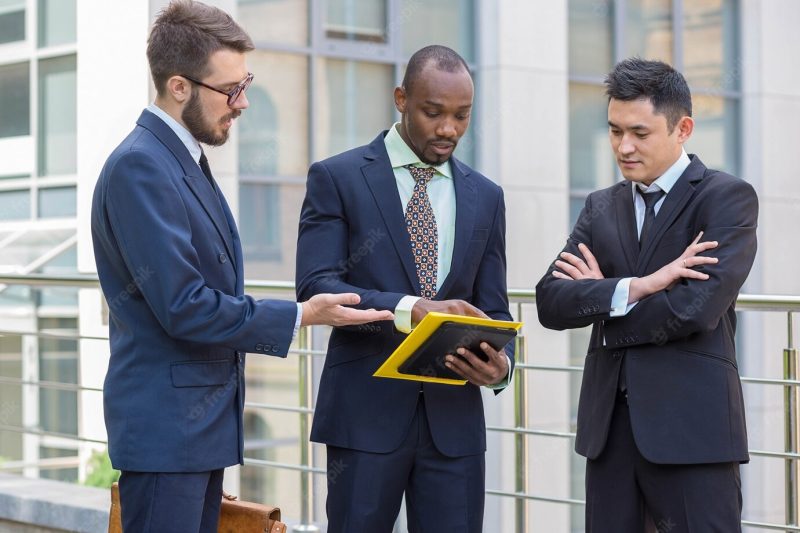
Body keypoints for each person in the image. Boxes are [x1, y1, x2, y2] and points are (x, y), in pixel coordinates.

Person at [90, 2, 392, 531]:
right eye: (230, 89)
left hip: (194, 437)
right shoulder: (142, 165)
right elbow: (184, 306)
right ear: (179, 86)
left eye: (245, 82)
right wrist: (300, 315)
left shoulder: (180, 158)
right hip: (168, 438)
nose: (244, 102)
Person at [295, 45, 514, 532]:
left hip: (454, 426)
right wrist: (411, 308)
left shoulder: (487, 196)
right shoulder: (338, 177)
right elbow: (316, 284)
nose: (448, 130)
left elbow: (494, 311)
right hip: (364, 417)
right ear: (401, 98)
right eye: (433, 112)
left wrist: (501, 368)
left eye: (462, 116)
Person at [536, 57, 758, 532]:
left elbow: (696, 310)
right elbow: (550, 302)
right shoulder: (601, 207)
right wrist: (638, 287)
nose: (623, 146)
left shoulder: (725, 198)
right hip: (609, 435)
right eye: (615, 131)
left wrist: (602, 302)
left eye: (639, 132)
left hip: (692, 433)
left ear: (683, 129)